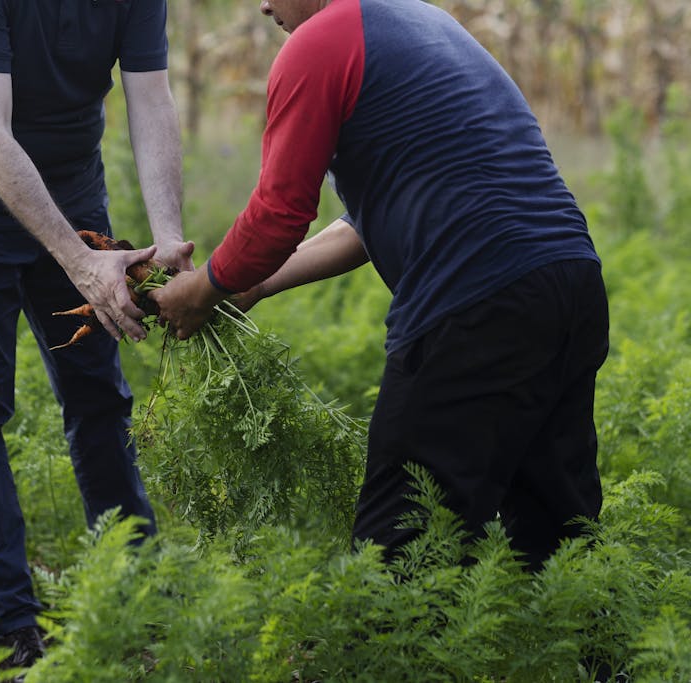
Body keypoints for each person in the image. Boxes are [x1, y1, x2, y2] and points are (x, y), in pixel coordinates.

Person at [150, 0, 609, 571]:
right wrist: (248, 288)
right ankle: (601, 661)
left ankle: (390, 658)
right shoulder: (420, 21)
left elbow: (278, 215)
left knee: (401, 546)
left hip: (475, 303)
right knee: (560, 538)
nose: (263, 5)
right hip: (569, 283)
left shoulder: (319, 43)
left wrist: (201, 291)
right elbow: (365, 225)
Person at [0, 0, 193, 669]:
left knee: (97, 391)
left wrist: (170, 239)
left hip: (70, 182)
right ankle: (12, 629)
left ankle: (133, 585)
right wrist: (82, 261)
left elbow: (151, 98)